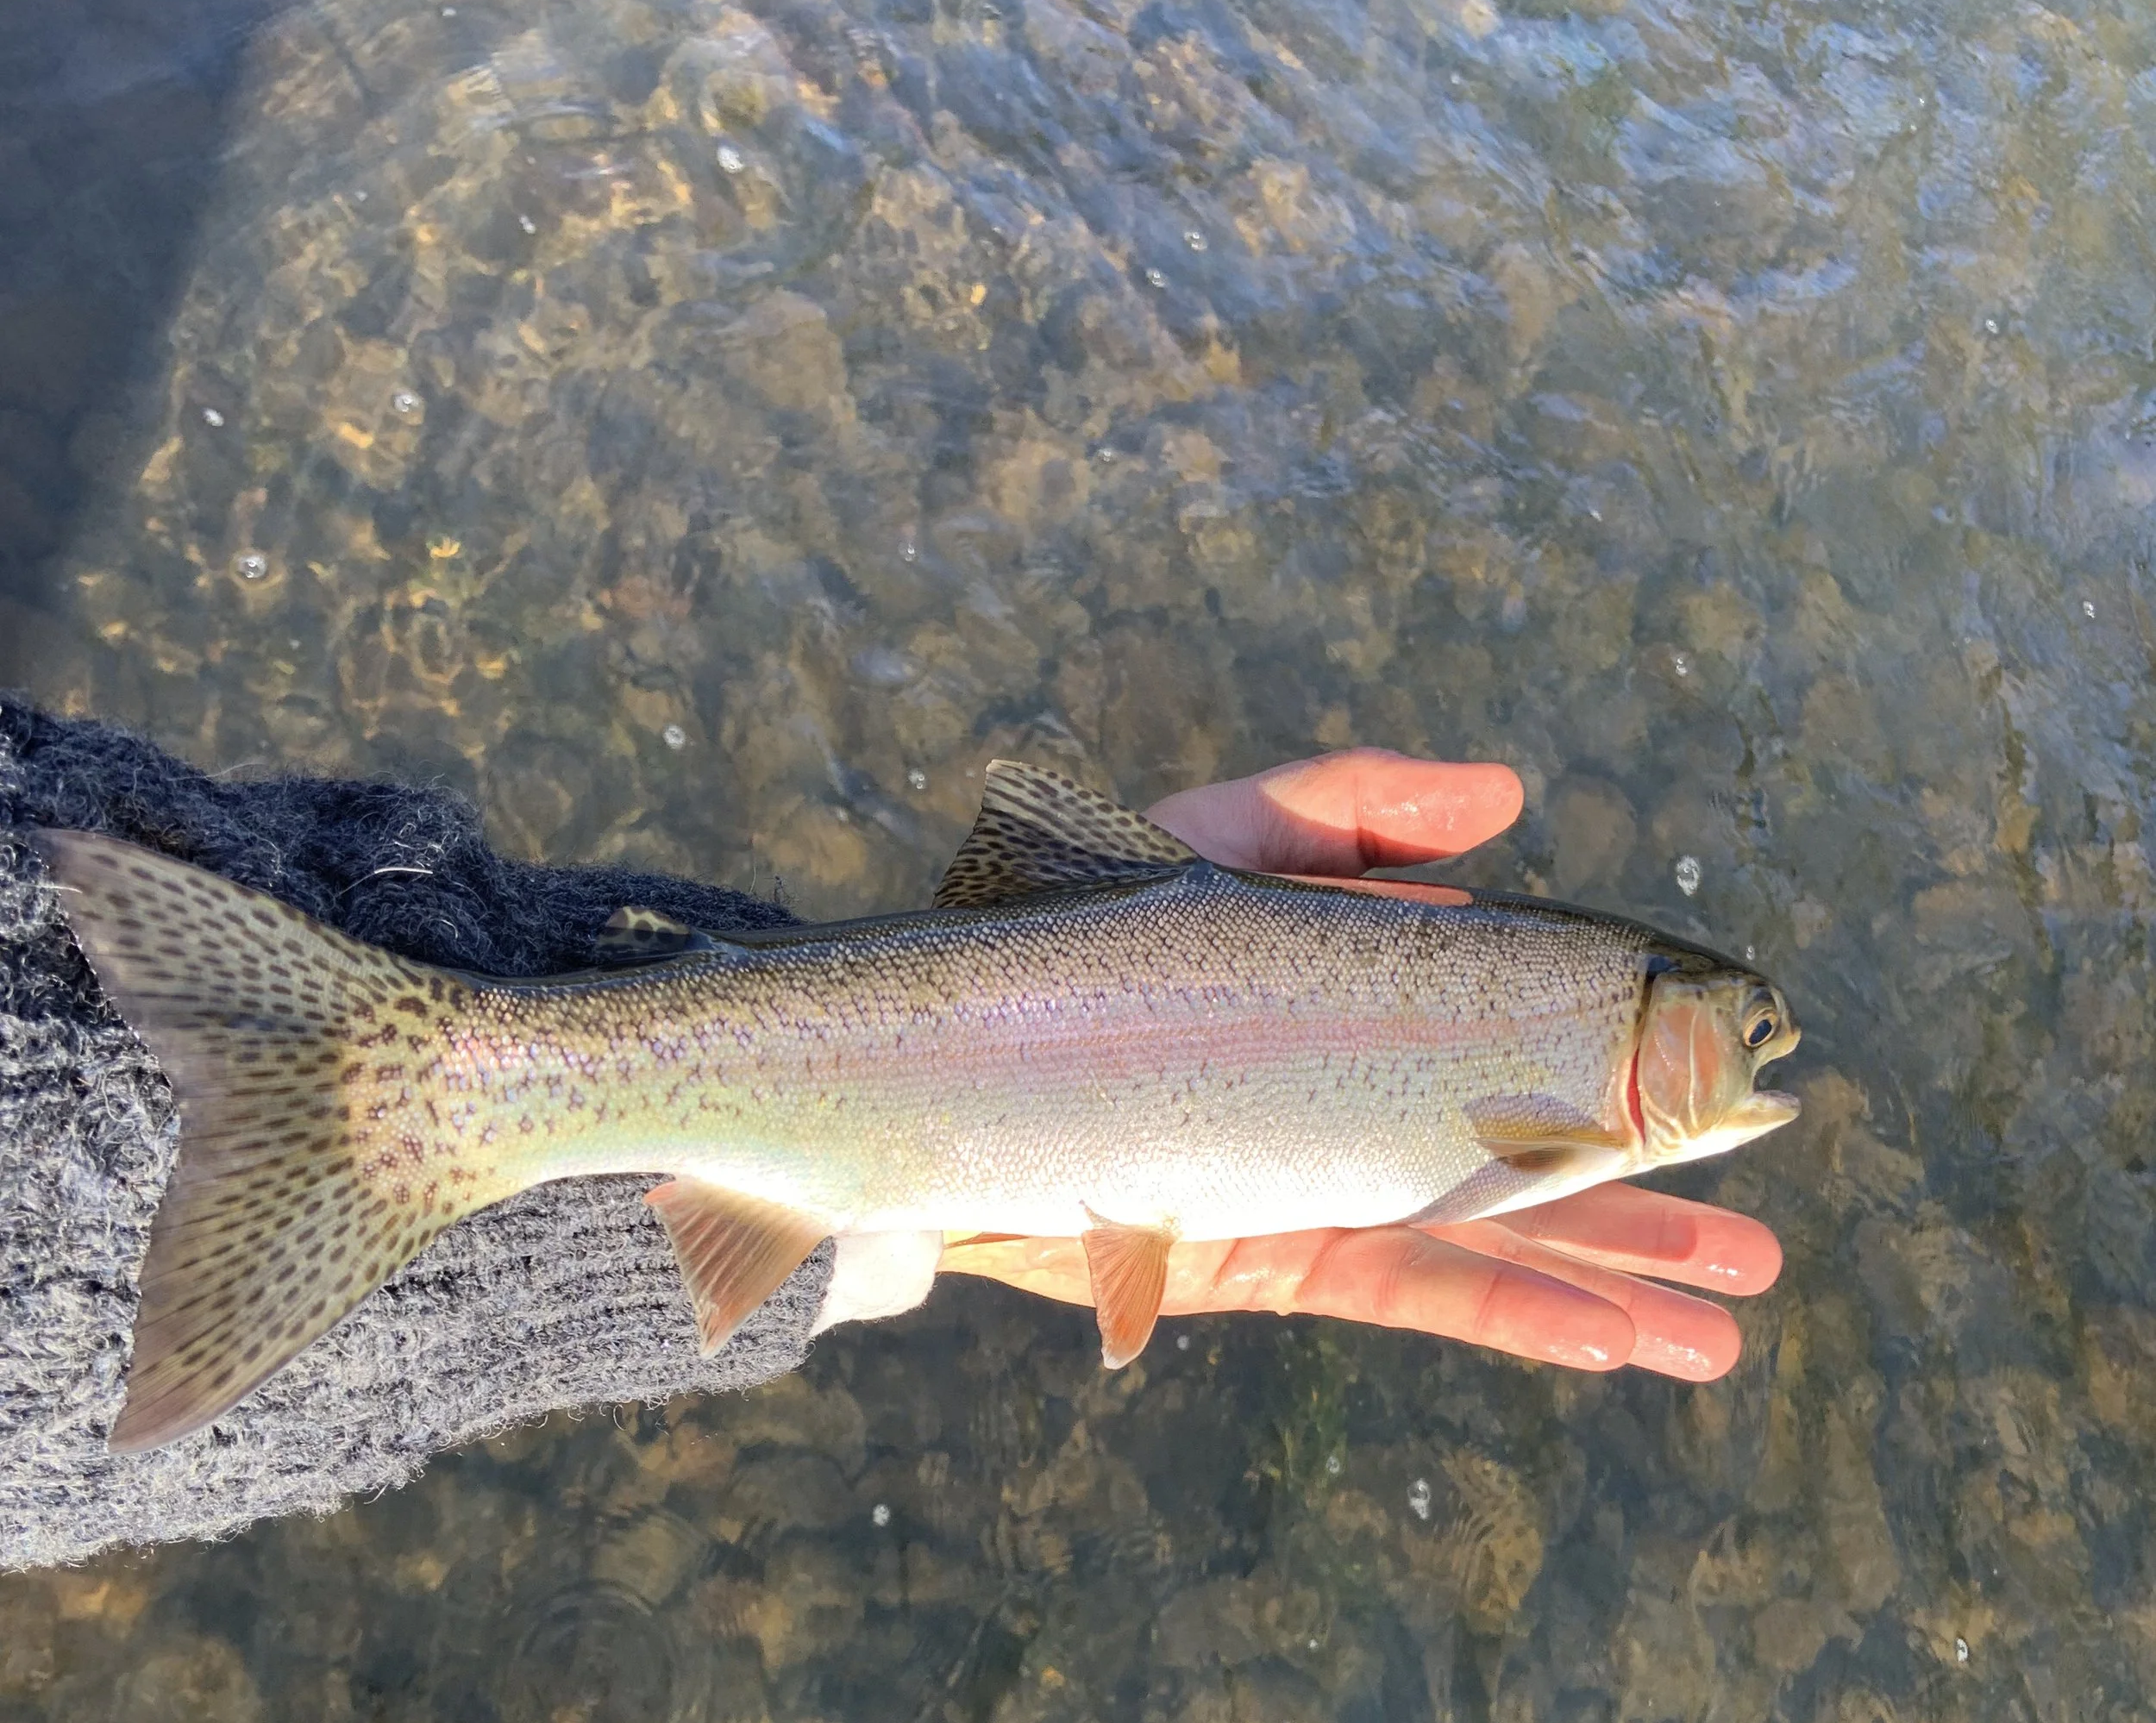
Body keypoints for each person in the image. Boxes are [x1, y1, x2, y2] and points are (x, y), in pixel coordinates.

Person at [0, 699, 1779, 1572]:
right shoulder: (1568, 1116)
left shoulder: (1580, 1080)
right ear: (1649, 1043)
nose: (1761, 1052)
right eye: (1736, 1022)